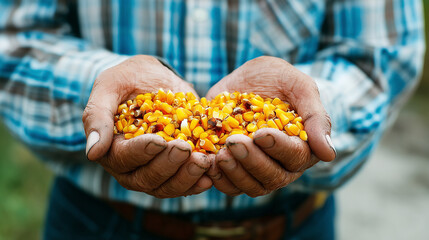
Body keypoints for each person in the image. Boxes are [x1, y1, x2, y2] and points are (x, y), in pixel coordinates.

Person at [0, 0, 424, 239]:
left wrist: (316, 106)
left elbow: (380, 55)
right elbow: (13, 37)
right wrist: (101, 94)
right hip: (96, 224)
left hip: (295, 226)